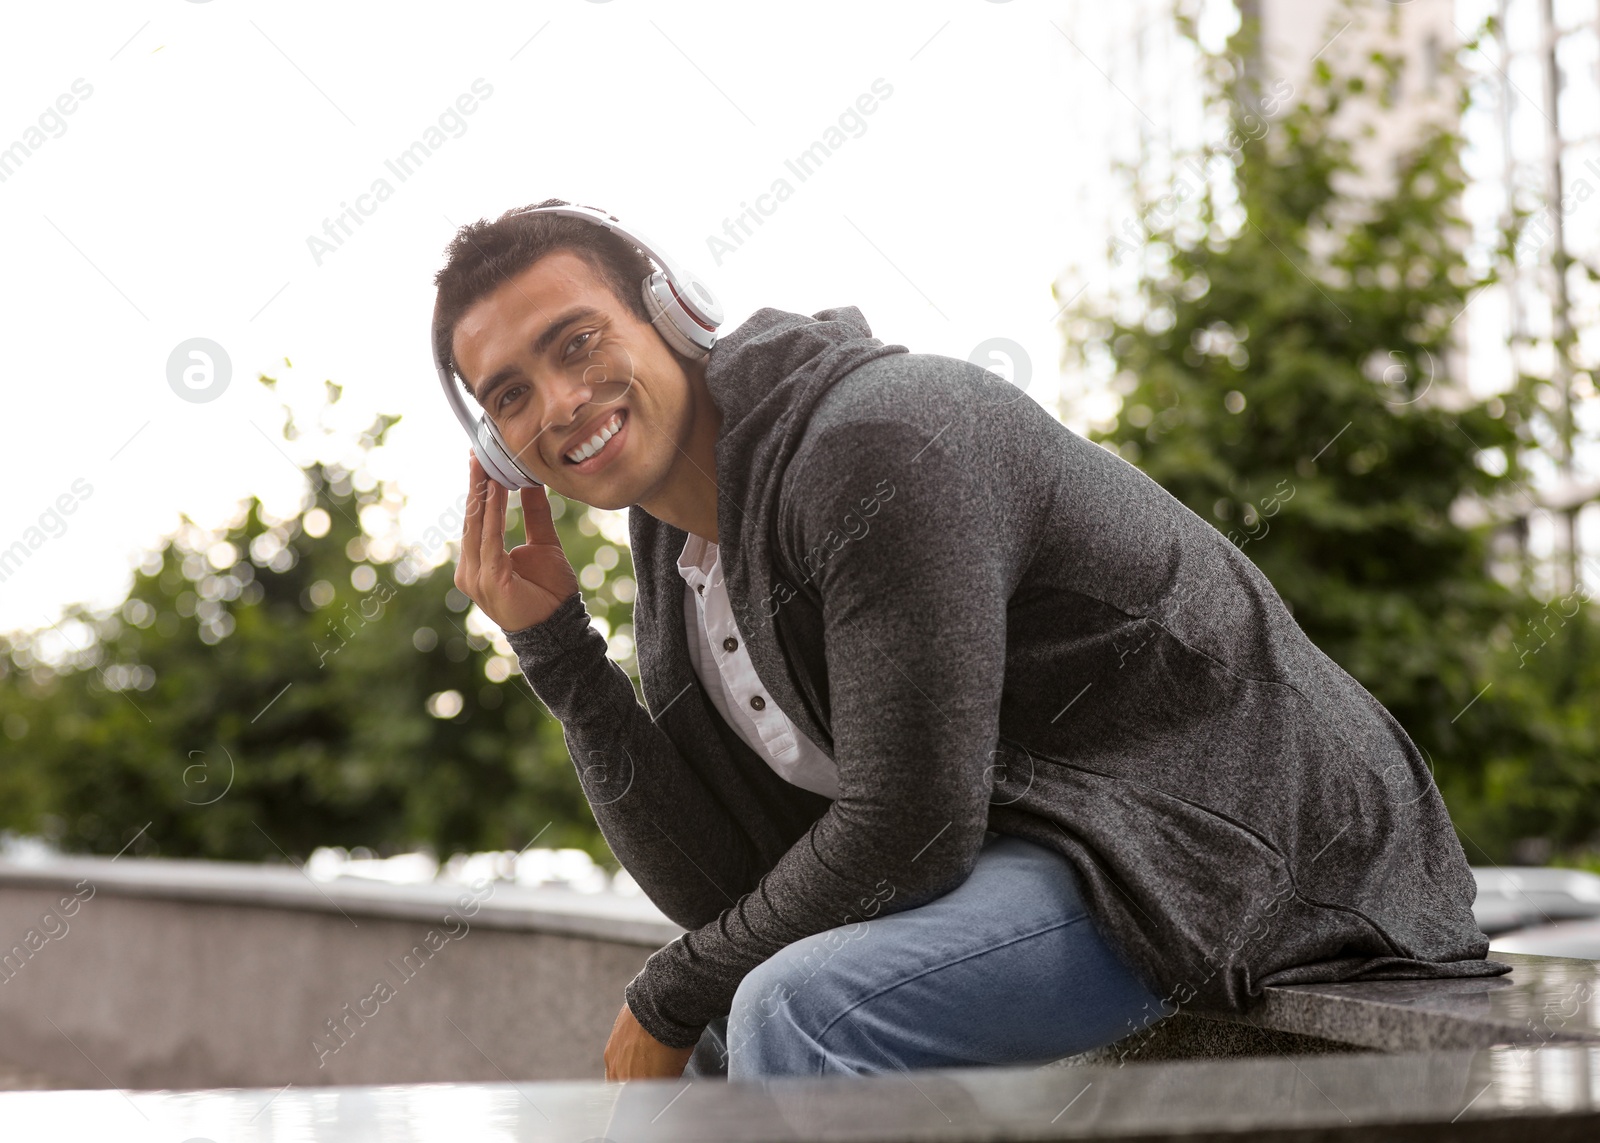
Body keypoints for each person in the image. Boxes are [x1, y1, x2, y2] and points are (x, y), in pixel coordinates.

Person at [440, 198, 1506, 1082]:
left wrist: (665, 994)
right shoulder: (678, 565)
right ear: (503, 446)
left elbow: (909, 830)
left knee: (796, 1010)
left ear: (673, 310)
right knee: (733, 1006)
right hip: (1072, 849)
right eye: (512, 395)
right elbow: (725, 888)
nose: (562, 402)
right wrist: (560, 653)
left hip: (1244, 842)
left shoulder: (880, 442)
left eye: (575, 342)